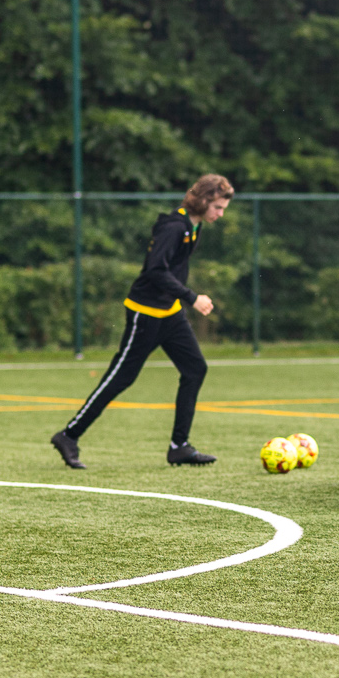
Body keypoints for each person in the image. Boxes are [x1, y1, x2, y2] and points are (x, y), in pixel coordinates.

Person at [51, 174, 232, 470]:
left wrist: (182, 299)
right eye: (218, 207)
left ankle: (179, 447)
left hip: (170, 313)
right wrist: (192, 296)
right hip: (145, 314)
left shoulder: (193, 226)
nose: (220, 214)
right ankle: (68, 436)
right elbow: (154, 272)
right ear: (203, 200)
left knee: (195, 368)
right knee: (121, 377)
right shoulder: (174, 227)